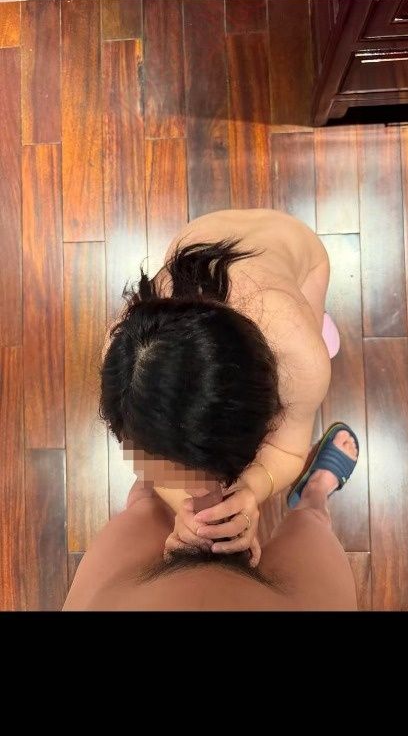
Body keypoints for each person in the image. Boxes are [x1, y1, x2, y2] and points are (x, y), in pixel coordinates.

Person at [95, 208, 342, 567]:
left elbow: (289, 450)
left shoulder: (301, 352)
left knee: (316, 334)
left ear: (270, 404)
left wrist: (254, 486)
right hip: (200, 240)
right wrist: (189, 507)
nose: (197, 487)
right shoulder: (125, 353)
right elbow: (140, 453)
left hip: (300, 256)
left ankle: (318, 321)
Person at [63, 423, 359, 611]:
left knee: (143, 506)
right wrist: (257, 486)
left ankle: (152, 480)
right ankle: (315, 493)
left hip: (120, 599)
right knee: (312, 523)